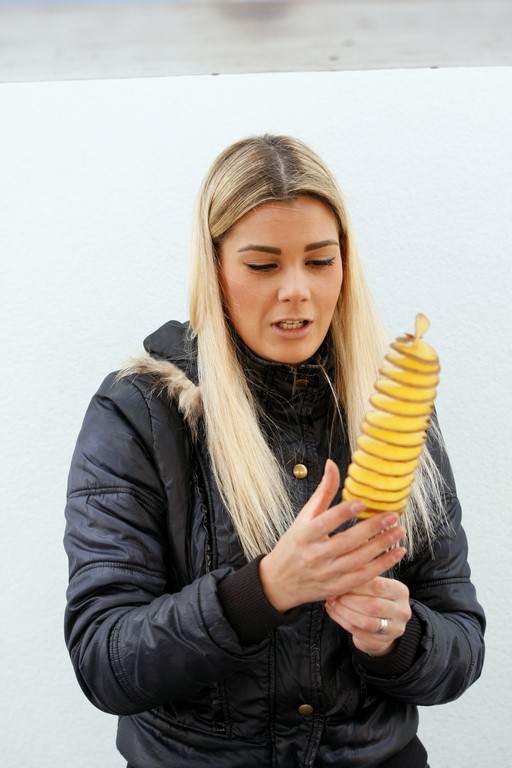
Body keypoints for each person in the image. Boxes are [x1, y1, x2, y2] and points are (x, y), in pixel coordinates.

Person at [64, 134, 485, 768]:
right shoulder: (139, 413)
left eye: (320, 261)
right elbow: (104, 660)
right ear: (215, 269)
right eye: (263, 265)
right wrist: (262, 591)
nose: (297, 290)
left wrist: (396, 637)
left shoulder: (394, 404)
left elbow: (462, 643)